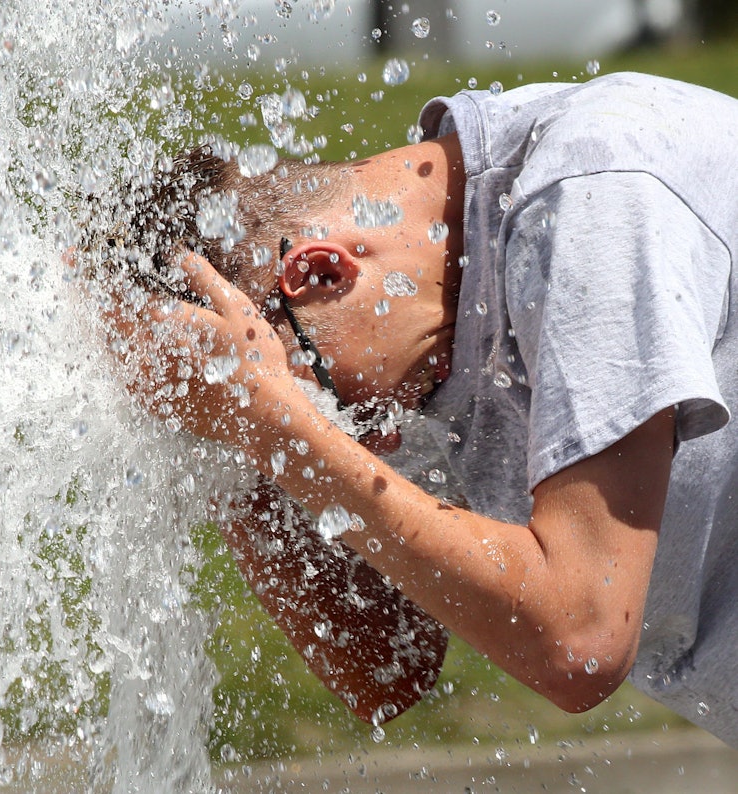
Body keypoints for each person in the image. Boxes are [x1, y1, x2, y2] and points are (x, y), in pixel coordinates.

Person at [98, 71, 738, 746]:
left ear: (320, 273)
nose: (375, 442)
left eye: (321, 401)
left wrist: (272, 421)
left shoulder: (591, 194)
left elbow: (578, 638)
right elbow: (386, 665)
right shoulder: (427, 313)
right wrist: (235, 432)